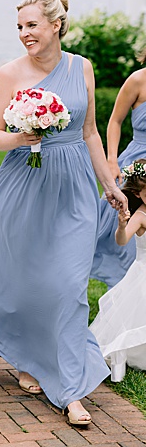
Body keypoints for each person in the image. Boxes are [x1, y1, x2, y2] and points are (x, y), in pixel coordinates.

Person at [0, 0, 127, 426]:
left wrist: (109, 185)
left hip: (75, 186)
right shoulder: (9, 74)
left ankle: (70, 389)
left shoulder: (82, 67)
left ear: (56, 25)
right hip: (25, 183)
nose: (25, 34)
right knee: (25, 279)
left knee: (67, 286)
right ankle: (29, 355)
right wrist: (23, 135)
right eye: (20, 27)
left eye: (32, 25)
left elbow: (90, 133)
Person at [90, 63, 146, 286]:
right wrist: (111, 159)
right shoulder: (138, 80)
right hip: (137, 166)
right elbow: (115, 120)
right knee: (121, 224)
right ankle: (125, 289)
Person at [91, 161, 146, 381]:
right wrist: (122, 226)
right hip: (143, 275)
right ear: (137, 194)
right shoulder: (141, 216)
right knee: (133, 319)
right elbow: (122, 241)